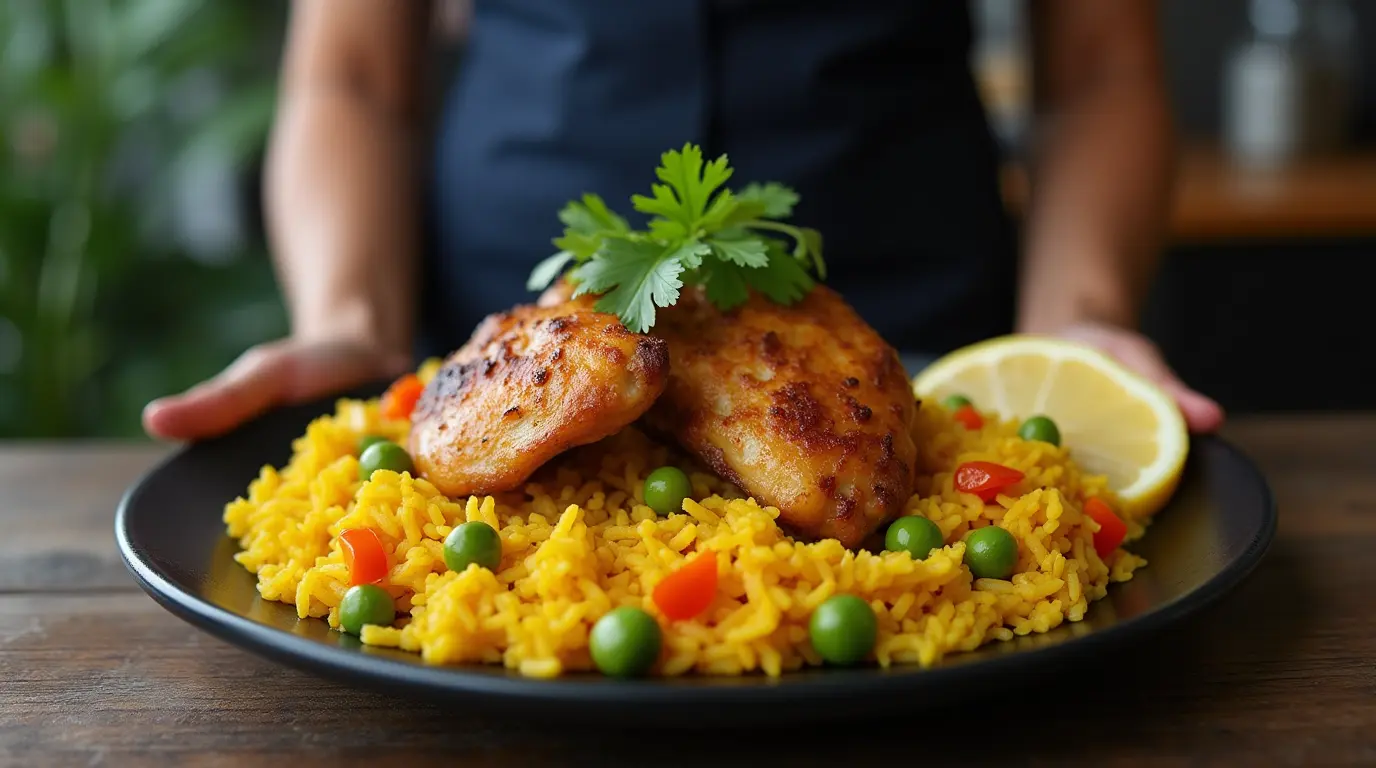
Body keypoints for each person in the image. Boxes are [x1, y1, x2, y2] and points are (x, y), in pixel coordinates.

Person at [142, 0, 1224, 441]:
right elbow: (352, 75)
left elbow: (1099, 67)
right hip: (506, 334)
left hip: (914, 333)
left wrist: (1075, 320)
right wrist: (347, 314)